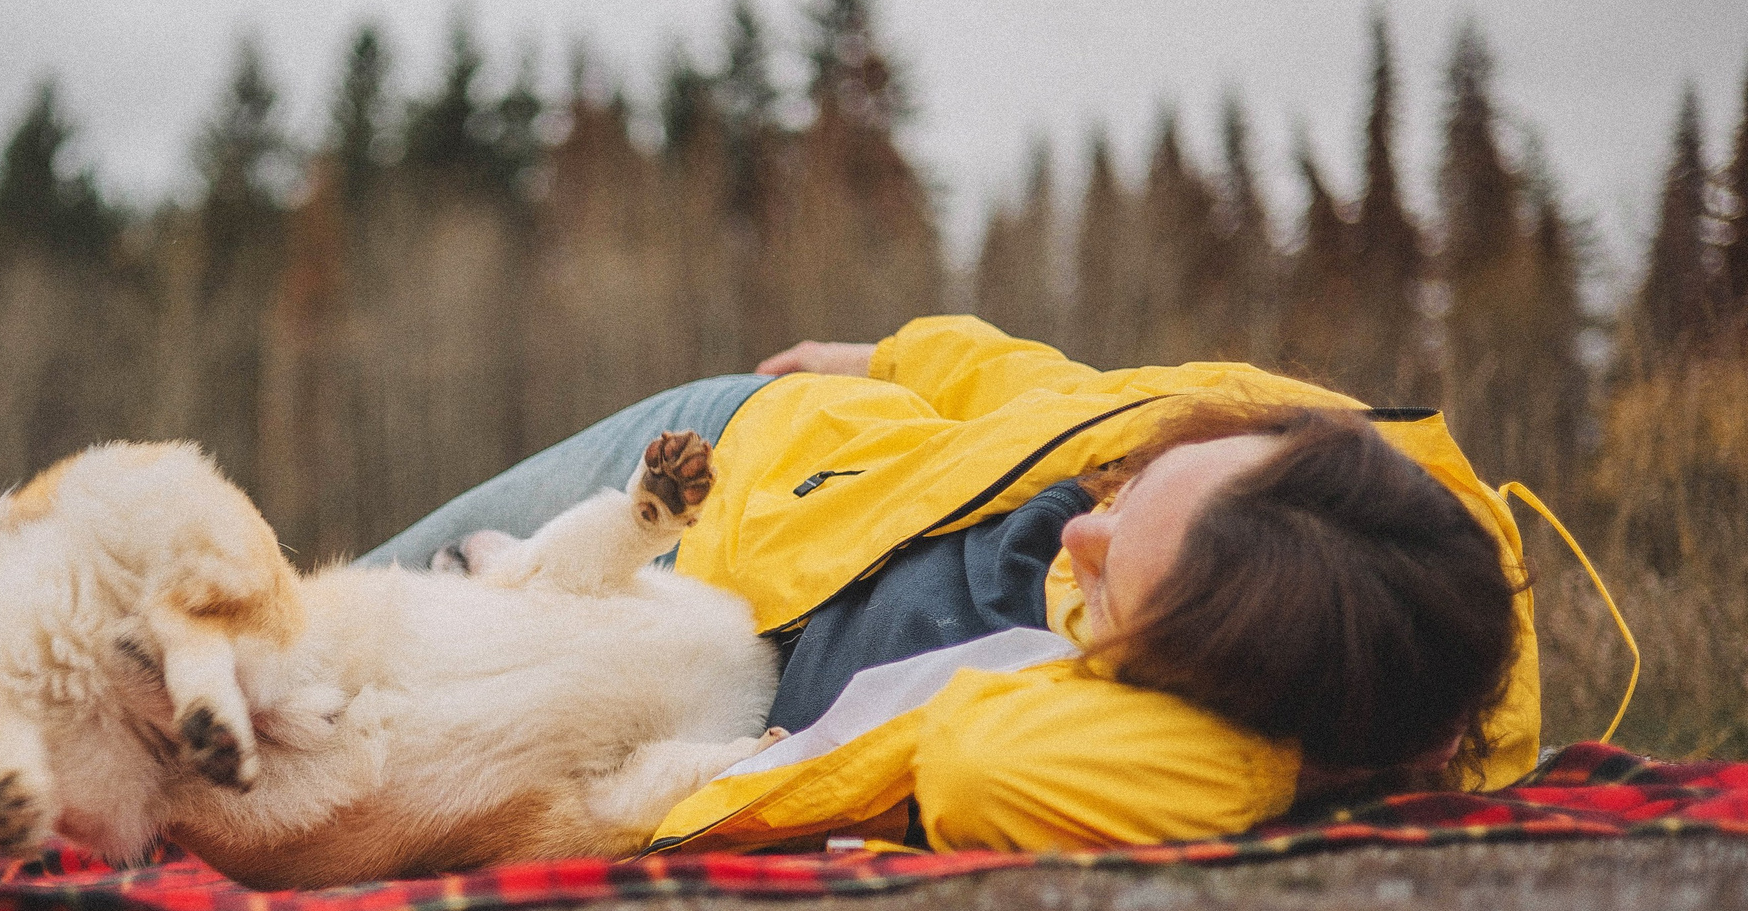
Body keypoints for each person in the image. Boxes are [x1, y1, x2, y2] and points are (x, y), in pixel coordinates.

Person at [362, 316, 1535, 856]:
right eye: (1131, 492)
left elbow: (984, 773)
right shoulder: (1315, 474)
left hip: (663, 662)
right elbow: (1050, 389)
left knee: (295, 722)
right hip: (723, 455)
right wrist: (871, 361)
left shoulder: (1168, 721)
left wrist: (1290, 771)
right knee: (318, 610)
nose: (1081, 529)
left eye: (1116, 582)